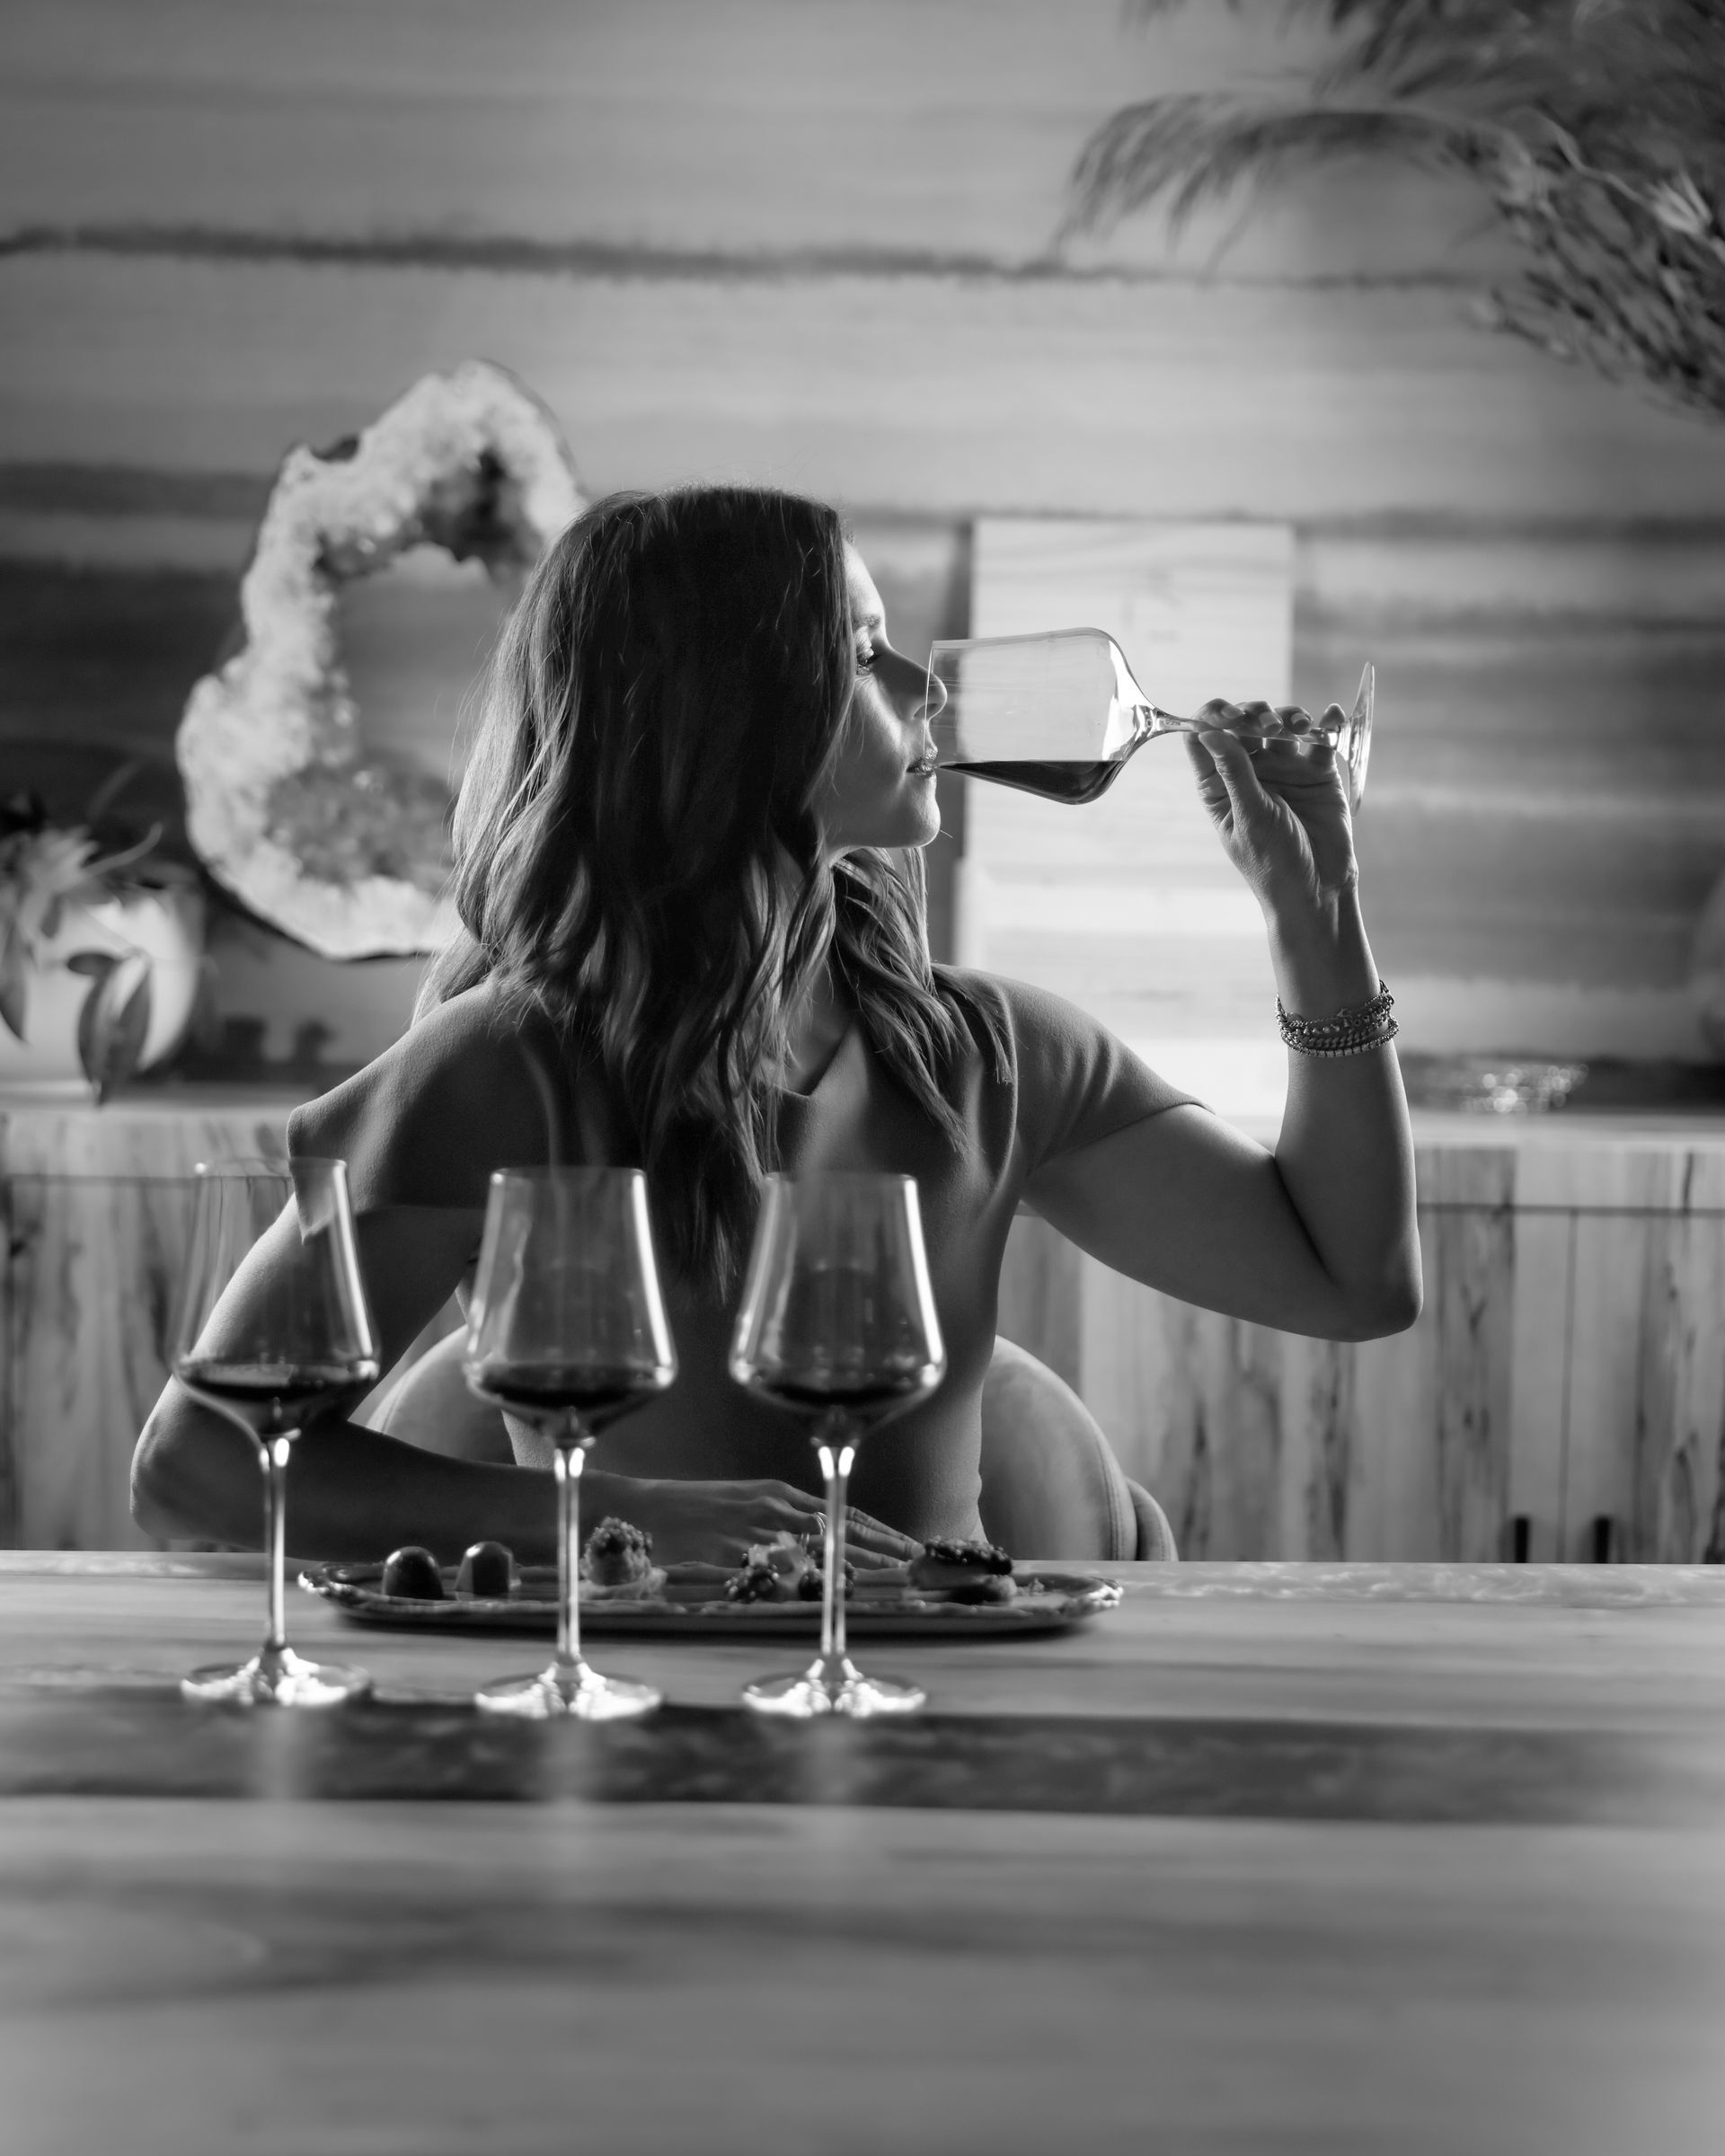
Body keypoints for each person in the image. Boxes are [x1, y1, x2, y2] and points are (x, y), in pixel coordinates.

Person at [132, 485, 1420, 1567]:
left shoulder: (991, 1060)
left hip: (934, 1738)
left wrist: (1315, 911)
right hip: (616, 1726)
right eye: (862, 652)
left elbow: (1348, 1283)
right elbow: (196, 1468)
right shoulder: (500, 1071)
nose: (927, 693)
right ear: (719, 720)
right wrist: (609, 1517)